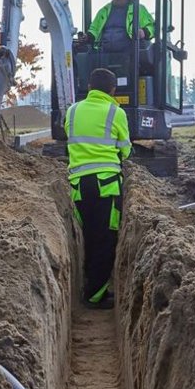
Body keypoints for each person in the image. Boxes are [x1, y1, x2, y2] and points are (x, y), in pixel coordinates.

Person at [65, 67, 131, 309]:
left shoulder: (72, 111)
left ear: (89, 88)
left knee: (89, 236)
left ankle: (92, 286)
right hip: (107, 185)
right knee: (105, 239)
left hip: (79, 186)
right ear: (112, 90)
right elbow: (125, 149)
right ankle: (95, 296)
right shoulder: (116, 112)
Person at [86, 0, 153, 51]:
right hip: (105, 55)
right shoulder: (104, 11)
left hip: (130, 56)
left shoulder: (138, 9)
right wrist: (87, 37)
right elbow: (94, 29)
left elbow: (152, 27)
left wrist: (144, 32)